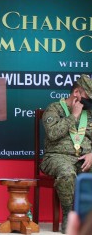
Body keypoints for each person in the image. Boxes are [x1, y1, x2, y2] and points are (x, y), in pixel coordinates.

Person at [40, 74, 92, 233]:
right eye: (87, 97)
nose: (89, 101)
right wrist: (74, 116)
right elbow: (53, 133)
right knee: (67, 172)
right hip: (56, 157)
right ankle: (69, 217)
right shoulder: (53, 109)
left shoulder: (89, 114)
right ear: (77, 93)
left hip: (84, 158)